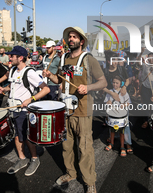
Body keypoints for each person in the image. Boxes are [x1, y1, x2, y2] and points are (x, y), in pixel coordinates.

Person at [43, 27, 107, 193]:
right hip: (65, 110)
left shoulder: (89, 59)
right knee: (66, 145)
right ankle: (71, 173)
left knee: (85, 148)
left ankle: (89, 181)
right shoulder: (63, 58)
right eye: (69, 37)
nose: (71, 39)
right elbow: (59, 79)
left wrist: (88, 87)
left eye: (74, 37)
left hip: (83, 111)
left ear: (81, 41)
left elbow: (103, 82)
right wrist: (50, 75)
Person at [0, 46, 50, 176]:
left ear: (20, 58)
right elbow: (12, 85)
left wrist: (31, 99)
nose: (9, 58)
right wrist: (4, 89)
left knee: (26, 137)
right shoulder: (13, 70)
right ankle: (22, 159)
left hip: (24, 111)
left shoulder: (30, 72)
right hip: (12, 108)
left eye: (12, 56)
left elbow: (46, 89)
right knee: (16, 135)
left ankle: (35, 159)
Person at [104, 76, 133, 157]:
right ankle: (111, 143)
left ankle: (125, 145)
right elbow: (106, 102)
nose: (115, 84)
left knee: (123, 130)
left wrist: (123, 105)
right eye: (113, 82)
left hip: (122, 114)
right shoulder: (109, 92)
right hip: (113, 113)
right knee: (112, 129)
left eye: (117, 83)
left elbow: (128, 103)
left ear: (121, 83)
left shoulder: (124, 92)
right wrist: (108, 102)